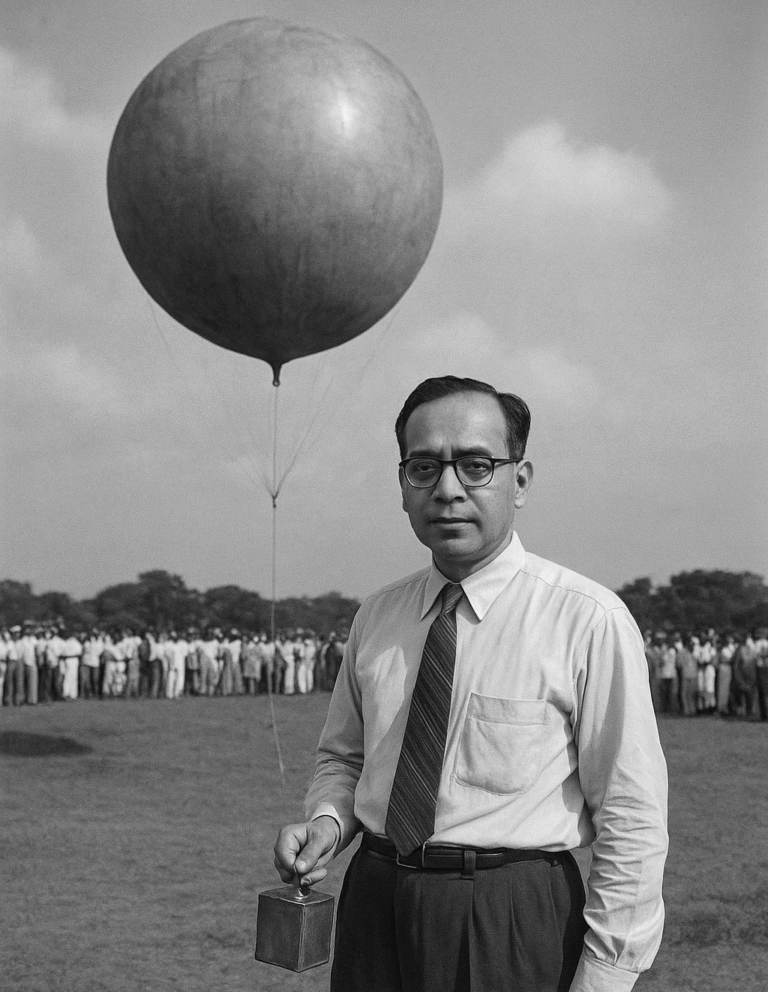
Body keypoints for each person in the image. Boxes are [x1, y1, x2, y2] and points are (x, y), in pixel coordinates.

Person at [273, 376, 668, 992]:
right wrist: (327, 821)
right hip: (374, 903)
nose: (448, 490)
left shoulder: (585, 619)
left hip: (507, 916)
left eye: (476, 465)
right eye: (424, 467)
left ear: (521, 480)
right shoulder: (377, 617)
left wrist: (607, 973)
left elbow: (632, 811)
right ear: (402, 485)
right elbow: (345, 760)